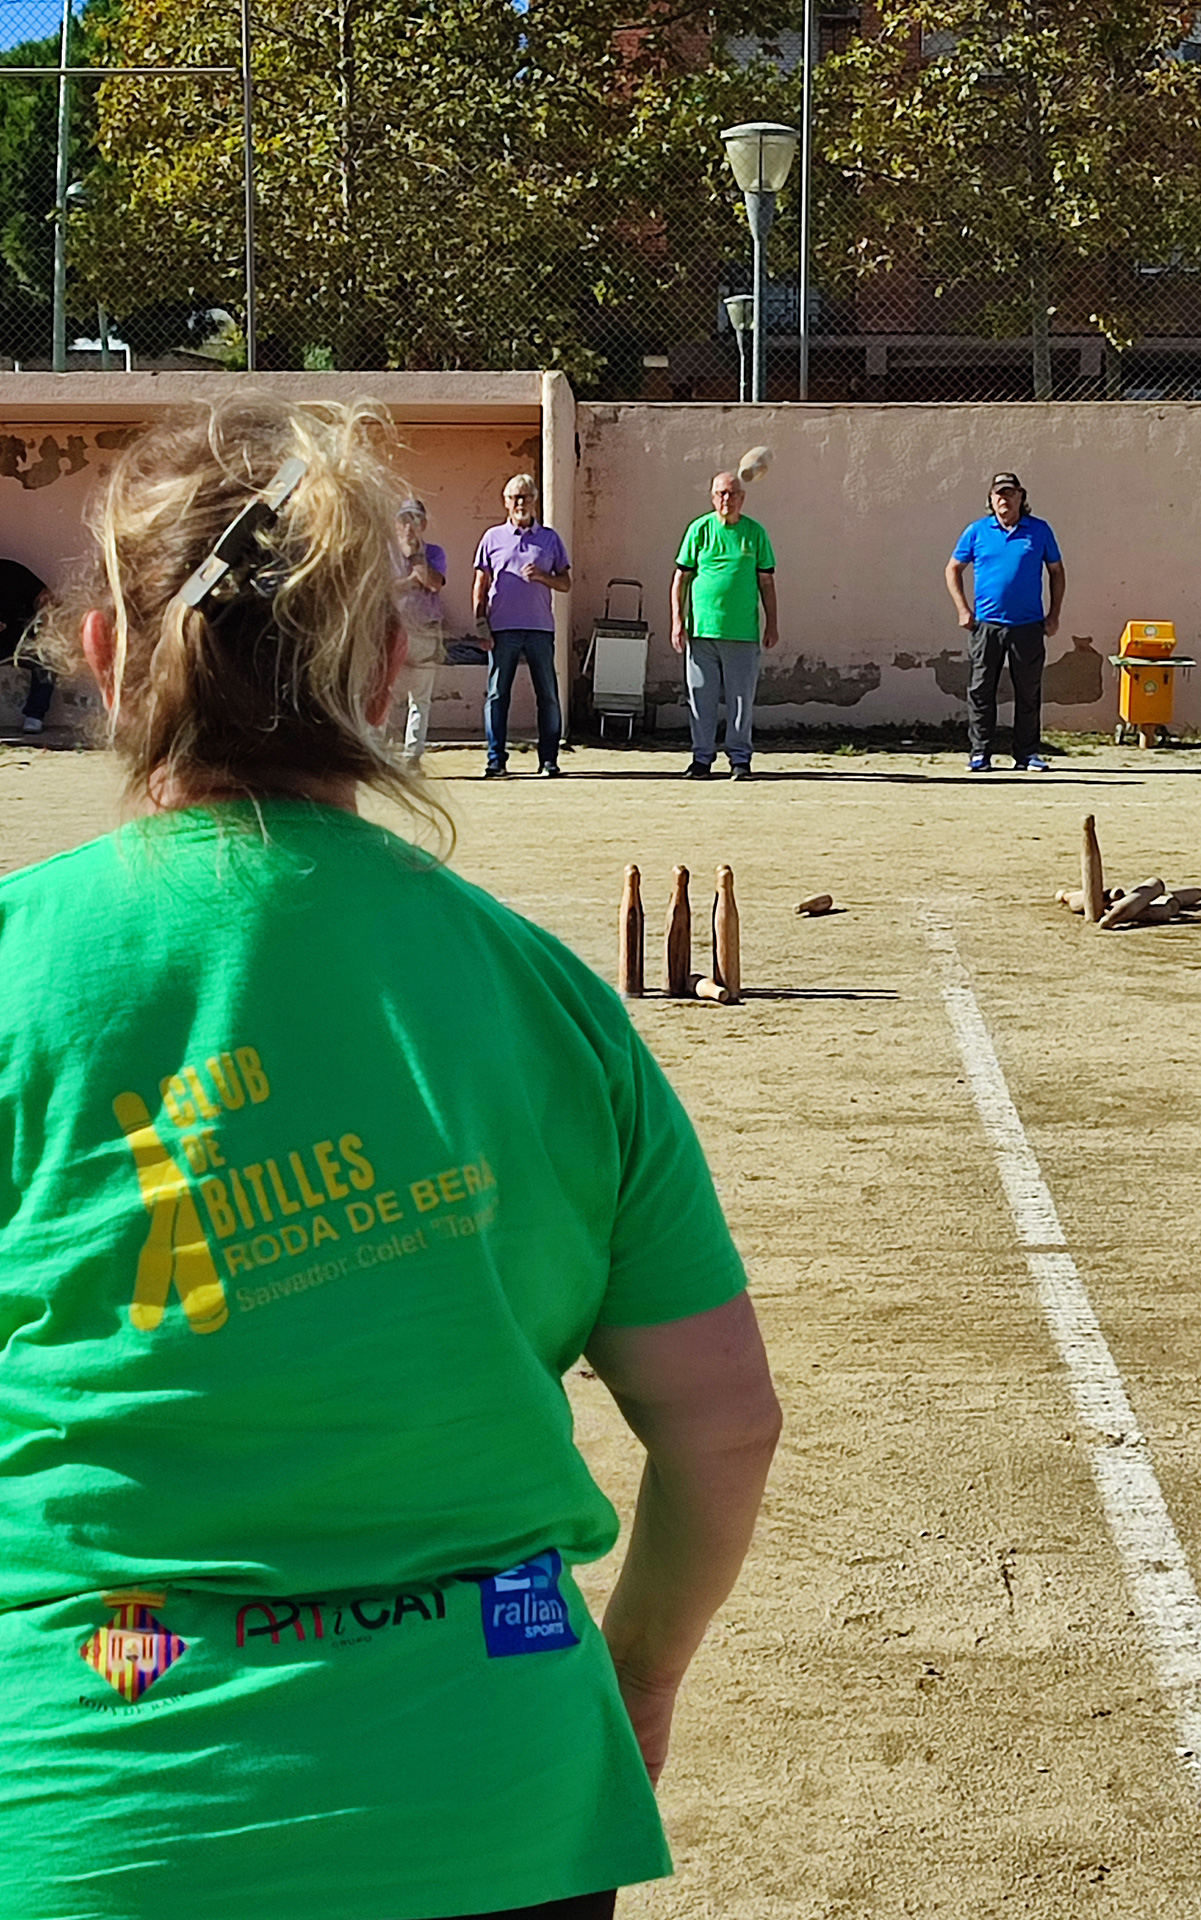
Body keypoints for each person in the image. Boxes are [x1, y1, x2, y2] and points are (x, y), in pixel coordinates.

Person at [0, 398, 781, 1920]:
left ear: (104, 660)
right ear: (383, 670)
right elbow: (723, 1428)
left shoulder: (18, 967)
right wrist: (638, 1672)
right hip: (496, 1787)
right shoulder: (544, 997)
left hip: (95, 1807)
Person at [945, 471, 1066, 773]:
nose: (1004, 498)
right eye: (998, 493)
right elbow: (952, 570)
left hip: (1028, 626)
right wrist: (963, 609)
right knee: (982, 689)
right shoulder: (977, 531)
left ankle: (1026, 754)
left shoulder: (1039, 531)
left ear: (1021, 497)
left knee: (1028, 690)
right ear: (990, 499)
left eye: (1010, 493)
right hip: (987, 626)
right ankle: (980, 753)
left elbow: (1057, 572)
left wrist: (1054, 615)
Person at [670, 471, 778, 782]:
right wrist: (678, 620)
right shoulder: (699, 530)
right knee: (700, 698)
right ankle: (701, 759)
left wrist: (773, 623)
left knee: (741, 700)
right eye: (720, 493)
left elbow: (766, 582)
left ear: (742, 498)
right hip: (702, 631)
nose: (726, 499)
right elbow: (681, 578)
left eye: (732, 493)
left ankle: (740, 760)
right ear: (712, 496)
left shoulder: (755, 533)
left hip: (742, 632)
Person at [473, 474, 570, 778]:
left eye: (525, 497)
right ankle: (495, 761)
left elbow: (566, 582)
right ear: (505, 502)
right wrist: (480, 622)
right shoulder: (492, 538)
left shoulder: (550, 539)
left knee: (548, 695)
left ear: (534, 500)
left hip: (540, 628)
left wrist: (543, 576)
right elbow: (481, 582)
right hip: (502, 629)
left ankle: (549, 760)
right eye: (514, 498)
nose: (520, 503)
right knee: (498, 695)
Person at [392, 496, 447, 763]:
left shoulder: (434, 553)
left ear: (423, 524)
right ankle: (381, 758)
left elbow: (432, 583)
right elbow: (384, 589)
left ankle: (411, 758)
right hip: (394, 632)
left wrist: (416, 556)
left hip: (424, 632)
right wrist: (411, 582)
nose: (409, 526)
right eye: (404, 520)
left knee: (420, 700)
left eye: (415, 520)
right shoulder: (388, 555)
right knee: (385, 696)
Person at [0, 554, 55, 734]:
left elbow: (45, 596)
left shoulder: (11, 571)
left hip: (23, 638)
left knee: (47, 660)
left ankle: (34, 716)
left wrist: (44, 624)